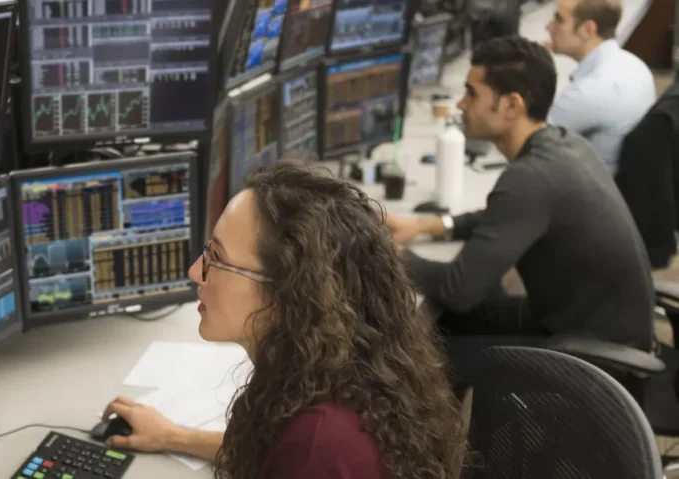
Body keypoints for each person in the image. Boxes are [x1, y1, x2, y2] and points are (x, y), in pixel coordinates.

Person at [101, 163, 468, 479]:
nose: (195, 271)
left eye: (216, 258)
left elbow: (300, 456)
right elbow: (267, 453)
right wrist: (173, 436)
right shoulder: (332, 374)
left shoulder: (319, 441)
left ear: (287, 294)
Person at [385, 37, 654, 355]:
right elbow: (503, 218)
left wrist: (389, 254)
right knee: (452, 322)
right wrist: (425, 226)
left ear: (512, 105)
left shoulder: (530, 178)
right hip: (600, 334)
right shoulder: (566, 144)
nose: (460, 104)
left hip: (594, 365)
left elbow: (457, 290)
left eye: (472, 94)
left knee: (415, 356)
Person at [544, 0, 656, 174]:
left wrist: (530, 68)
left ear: (587, 29)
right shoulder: (635, 65)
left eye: (559, 19)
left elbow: (528, 144)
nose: (548, 26)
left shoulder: (588, 91)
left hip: (586, 193)